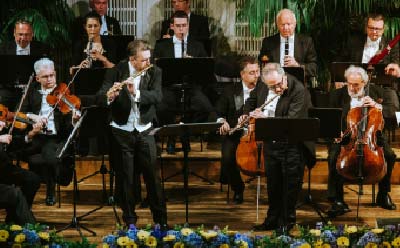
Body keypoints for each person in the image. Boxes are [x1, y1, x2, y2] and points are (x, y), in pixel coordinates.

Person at [97, 40, 167, 227]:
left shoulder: (154, 71)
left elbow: (157, 96)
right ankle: (130, 222)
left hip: (145, 130)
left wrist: (136, 93)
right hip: (122, 131)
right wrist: (109, 97)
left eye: (148, 58)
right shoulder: (116, 71)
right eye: (143, 60)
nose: (148, 63)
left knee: (153, 178)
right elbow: (101, 95)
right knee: (126, 178)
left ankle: (161, 221)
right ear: (132, 59)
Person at [240, 62, 307, 231]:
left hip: (291, 145)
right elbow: (251, 100)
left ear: (283, 76)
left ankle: (287, 222)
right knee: (273, 185)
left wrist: (265, 119)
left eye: (278, 84)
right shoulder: (263, 85)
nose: (277, 89)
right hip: (270, 143)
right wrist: (246, 113)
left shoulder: (298, 90)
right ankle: (272, 219)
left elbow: (291, 123)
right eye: (272, 86)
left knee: (289, 187)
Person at [327, 66, 396, 218]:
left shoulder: (378, 92)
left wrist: (376, 106)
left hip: (373, 136)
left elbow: (394, 112)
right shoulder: (336, 95)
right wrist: (334, 132)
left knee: (390, 156)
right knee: (333, 157)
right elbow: (328, 118)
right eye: (349, 84)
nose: (352, 88)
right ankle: (337, 199)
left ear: (364, 82)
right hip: (347, 137)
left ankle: (383, 194)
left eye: (356, 85)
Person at [19, 58, 78, 206]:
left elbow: (68, 126)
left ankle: (50, 190)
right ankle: (20, 193)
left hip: (54, 137)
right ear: (37, 78)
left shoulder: (63, 91)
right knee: (15, 151)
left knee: (49, 156)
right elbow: (20, 112)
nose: (50, 79)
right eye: (45, 77)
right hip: (36, 135)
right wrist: (34, 117)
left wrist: (73, 118)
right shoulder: (32, 90)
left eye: (52, 75)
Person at [154, 10, 215, 154]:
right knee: (160, 108)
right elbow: (156, 70)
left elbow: (206, 71)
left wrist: (193, 64)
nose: (181, 29)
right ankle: (171, 135)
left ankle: (186, 133)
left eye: (184, 25)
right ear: (172, 26)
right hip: (169, 86)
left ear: (188, 26)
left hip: (191, 87)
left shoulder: (197, 45)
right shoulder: (162, 45)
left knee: (206, 108)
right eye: (178, 26)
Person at [216, 56, 260, 204]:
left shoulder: (265, 89)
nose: (256, 75)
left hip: (258, 133)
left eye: (257, 71)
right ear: (242, 74)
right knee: (228, 157)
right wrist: (222, 122)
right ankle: (238, 188)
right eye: (252, 72)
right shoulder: (230, 91)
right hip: (235, 132)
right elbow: (218, 112)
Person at [259, 8, 317, 82]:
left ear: (295, 24)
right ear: (277, 25)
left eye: (289, 24)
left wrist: (298, 66)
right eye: (282, 24)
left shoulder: (306, 41)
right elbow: (262, 63)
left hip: (299, 85)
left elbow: (313, 68)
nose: (285, 28)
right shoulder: (268, 42)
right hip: (274, 84)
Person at [0, 121, 39, 224]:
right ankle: (24, 219)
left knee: (32, 179)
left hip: (4, 167)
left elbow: (11, 142)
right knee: (14, 193)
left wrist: (30, 135)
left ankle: (15, 216)